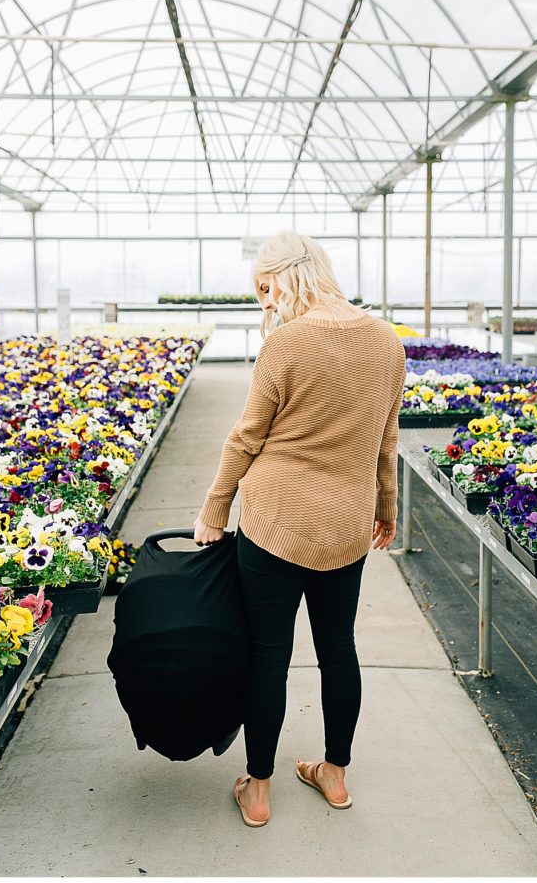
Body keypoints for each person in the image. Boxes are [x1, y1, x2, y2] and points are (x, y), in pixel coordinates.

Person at [193, 230, 406, 827]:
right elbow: (386, 440)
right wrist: (385, 508)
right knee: (339, 648)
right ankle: (334, 775)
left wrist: (214, 509)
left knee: (268, 655)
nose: (264, 303)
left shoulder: (285, 345)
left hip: (275, 523)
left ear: (289, 274)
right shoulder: (387, 342)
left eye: (265, 288)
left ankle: (256, 789)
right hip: (345, 524)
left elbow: (247, 436)